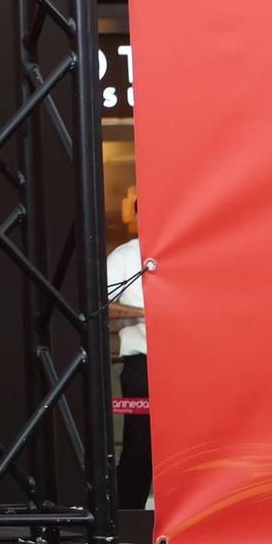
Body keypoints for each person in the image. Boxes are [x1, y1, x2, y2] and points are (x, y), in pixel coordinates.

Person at [106, 195, 150, 508]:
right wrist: (149, 312)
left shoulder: (188, 251)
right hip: (143, 363)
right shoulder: (125, 256)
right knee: (140, 446)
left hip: (193, 361)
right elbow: (102, 305)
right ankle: (128, 517)